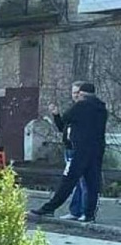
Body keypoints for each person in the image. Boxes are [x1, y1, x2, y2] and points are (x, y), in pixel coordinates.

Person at [30, 82, 107, 223]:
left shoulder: (80, 106)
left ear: (82, 94)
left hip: (80, 151)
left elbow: (66, 118)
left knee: (68, 181)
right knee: (92, 183)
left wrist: (58, 114)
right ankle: (89, 214)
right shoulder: (102, 108)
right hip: (96, 151)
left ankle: (49, 208)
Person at [49, 81, 88, 221]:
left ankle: (85, 212)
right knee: (75, 182)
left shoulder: (85, 110)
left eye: (78, 93)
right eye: (74, 93)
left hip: (79, 151)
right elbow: (63, 129)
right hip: (69, 150)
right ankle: (75, 211)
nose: (76, 95)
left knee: (83, 182)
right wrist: (56, 115)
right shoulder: (73, 109)